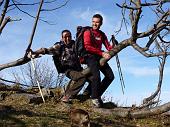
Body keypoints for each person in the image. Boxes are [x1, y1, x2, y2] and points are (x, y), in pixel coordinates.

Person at [28, 30, 90, 102]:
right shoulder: (59, 46)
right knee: (81, 77)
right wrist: (34, 52)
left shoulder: (74, 44)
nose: (67, 39)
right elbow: (46, 50)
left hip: (78, 68)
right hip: (68, 70)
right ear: (62, 38)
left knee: (94, 78)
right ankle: (68, 96)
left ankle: (86, 95)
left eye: (69, 36)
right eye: (65, 37)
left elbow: (84, 48)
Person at [82, 14, 115, 107]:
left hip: (99, 56)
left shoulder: (102, 34)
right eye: (93, 22)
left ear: (101, 23)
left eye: (97, 22)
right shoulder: (88, 32)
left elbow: (108, 47)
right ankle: (94, 98)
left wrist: (113, 45)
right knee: (96, 76)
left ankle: (95, 94)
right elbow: (87, 46)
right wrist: (102, 53)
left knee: (110, 76)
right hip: (89, 56)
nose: (95, 24)